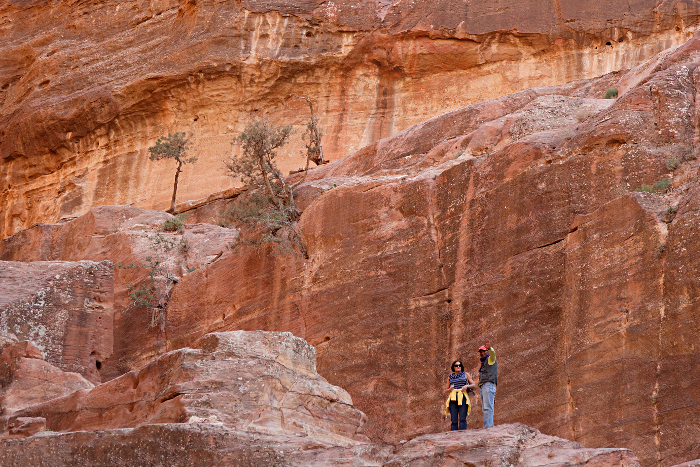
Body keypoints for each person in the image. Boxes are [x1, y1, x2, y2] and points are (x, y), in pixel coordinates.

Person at [443, 359, 476, 431]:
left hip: (462, 397)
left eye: (459, 365)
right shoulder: (450, 377)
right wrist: (450, 389)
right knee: (454, 420)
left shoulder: (465, 374)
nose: (458, 366)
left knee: (462, 418)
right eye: (456, 365)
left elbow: (473, 385)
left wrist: (466, 386)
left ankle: (462, 437)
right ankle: (454, 438)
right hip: (453, 398)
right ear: (453, 367)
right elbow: (445, 390)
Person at [478, 338, 497, 428]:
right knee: (486, 408)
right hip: (484, 386)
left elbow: (493, 355)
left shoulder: (490, 359)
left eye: (484, 351)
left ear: (487, 352)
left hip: (488, 385)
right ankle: (488, 426)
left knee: (487, 408)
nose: (482, 353)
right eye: (480, 352)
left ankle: (488, 427)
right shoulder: (484, 363)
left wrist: (490, 348)